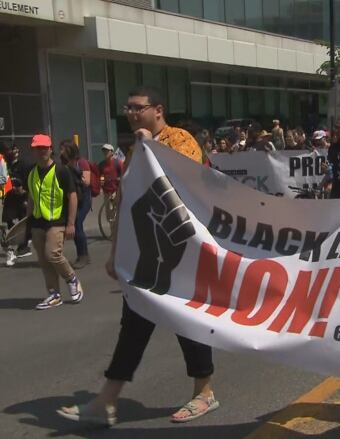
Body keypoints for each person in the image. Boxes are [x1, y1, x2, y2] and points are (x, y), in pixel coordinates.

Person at [57, 86, 219, 426]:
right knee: (133, 324)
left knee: (186, 322)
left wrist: (151, 146)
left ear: (157, 110)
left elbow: (182, 182)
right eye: (127, 107)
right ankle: (106, 400)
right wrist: (116, 251)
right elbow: (129, 202)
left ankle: (204, 391)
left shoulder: (180, 139)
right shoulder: (134, 150)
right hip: (146, 252)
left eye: (137, 107)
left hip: (179, 253)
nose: (130, 113)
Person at [25, 134, 84, 310]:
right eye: (37, 148)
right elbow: (31, 197)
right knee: (43, 260)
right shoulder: (32, 172)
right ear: (33, 151)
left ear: (51, 149)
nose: (41, 151)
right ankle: (54, 294)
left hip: (57, 221)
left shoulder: (61, 170)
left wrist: (71, 223)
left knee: (53, 254)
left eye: (44, 147)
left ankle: (71, 278)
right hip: (37, 223)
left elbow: (72, 196)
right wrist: (27, 223)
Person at [58, 140, 91, 269]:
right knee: (77, 225)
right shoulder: (63, 162)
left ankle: (83, 256)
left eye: (62, 149)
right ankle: (83, 255)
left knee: (77, 224)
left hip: (84, 199)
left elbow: (87, 182)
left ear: (69, 150)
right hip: (73, 197)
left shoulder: (81, 162)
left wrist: (76, 173)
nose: (60, 151)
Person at [1, 143, 33, 266]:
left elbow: (30, 180)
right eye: (10, 149)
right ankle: (10, 250)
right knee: (6, 224)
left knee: (25, 223)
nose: (13, 151)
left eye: (14, 149)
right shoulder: (5, 165)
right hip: (9, 198)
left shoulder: (24, 164)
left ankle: (23, 246)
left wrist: (25, 191)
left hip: (22, 198)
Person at [97, 144, 123, 227]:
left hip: (116, 191)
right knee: (108, 213)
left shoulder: (118, 163)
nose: (105, 152)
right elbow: (100, 176)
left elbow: (124, 174)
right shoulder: (101, 165)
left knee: (114, 211)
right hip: (106, 191)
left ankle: (115, 232)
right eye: (104, 151)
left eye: (107, 151)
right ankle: (113, 232)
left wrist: (119, 179)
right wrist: (101, 182)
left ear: (112, 152)